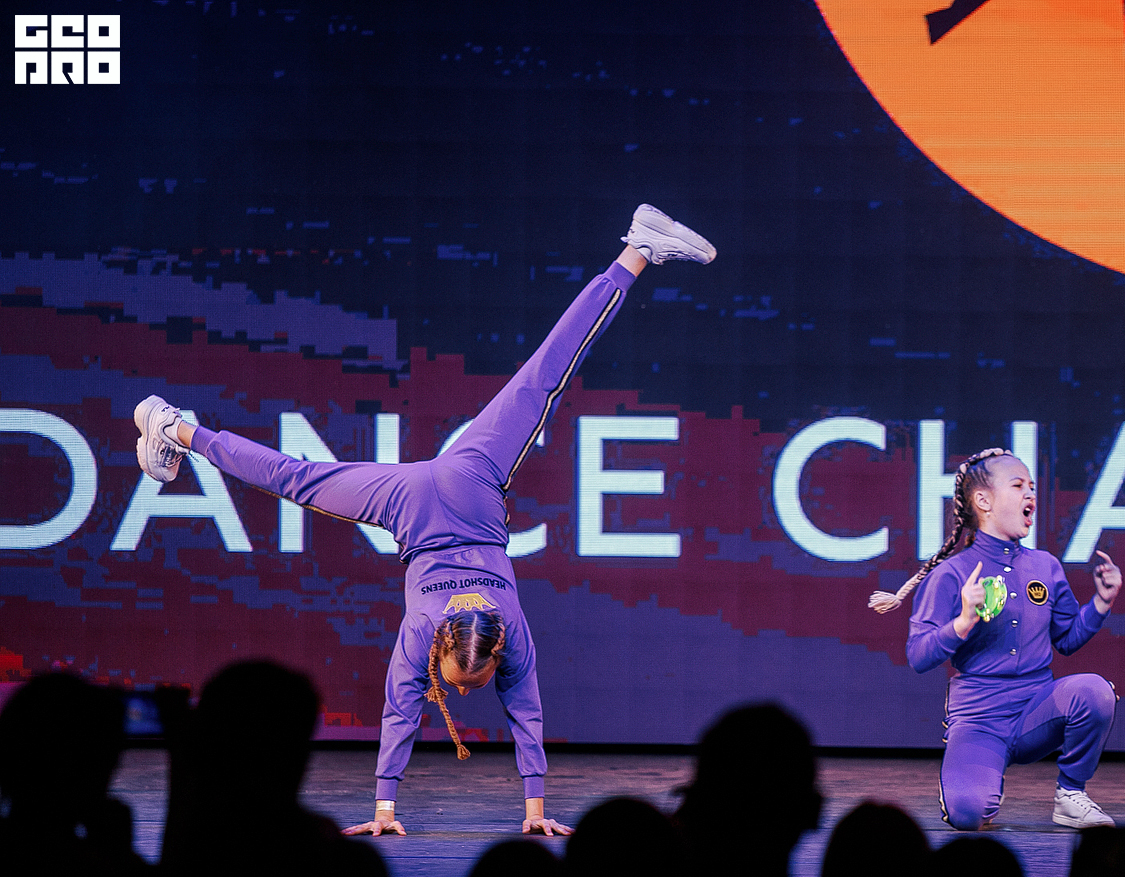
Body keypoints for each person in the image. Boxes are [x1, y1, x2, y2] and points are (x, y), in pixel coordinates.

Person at [130, 205, 716, 836]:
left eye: (463, 682)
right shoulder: (448, 634)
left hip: (451, 489)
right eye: (470, 682)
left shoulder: (470, 631)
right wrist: (526, 809)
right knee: (297, 476)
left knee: (545, 374)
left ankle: (637, 251)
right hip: (439, 492)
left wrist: (394, 808)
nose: (463, 691)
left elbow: (428, 711)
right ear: (471, 649)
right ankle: (176, 428)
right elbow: (471, 709)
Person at [869, 449, 1122, 830]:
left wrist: (1101, 603)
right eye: (1018, 485)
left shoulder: (1045, 566)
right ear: (983, 501)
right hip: (980, 720)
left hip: (1036, 710)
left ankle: (1071, 793)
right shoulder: (953, 574)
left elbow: (1067, 639)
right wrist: (963, 622)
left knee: (1096, 692)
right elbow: (918, 655)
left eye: (1031, 486)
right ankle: (977, 782)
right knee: (968, 815)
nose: (1030, 494)